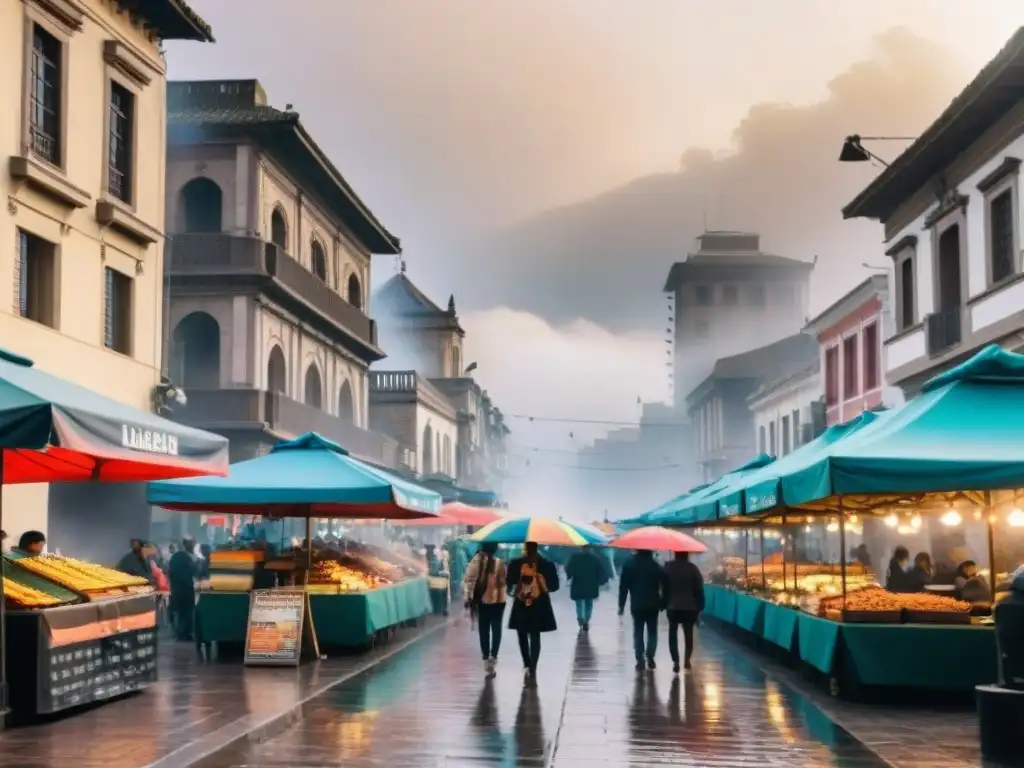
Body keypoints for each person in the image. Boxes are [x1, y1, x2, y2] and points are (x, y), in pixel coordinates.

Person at [507, 541, 559, 682]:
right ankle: (533, 667)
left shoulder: (515, 563)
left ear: (525, 547)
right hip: (540, 604)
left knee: (522, 634)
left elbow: (509, 582)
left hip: (521, 603)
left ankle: (527, 663)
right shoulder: (547, 564)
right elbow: (555, 586)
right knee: (535, 636)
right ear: (538, 548)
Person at [618, 549, 670, 671]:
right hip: (653, 604)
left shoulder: (629, 565)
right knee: (652, 631)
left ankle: (639, 659)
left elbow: (623, 587)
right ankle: (650, 656)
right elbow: (666, 584)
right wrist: (664, 602)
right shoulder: (656, 566)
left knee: (638, 631)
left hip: (637, 604)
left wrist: (621, 605)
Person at [463, 542, 507, 678]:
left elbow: (469, 580)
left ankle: (485, 658)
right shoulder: (499, 563)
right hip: (499, 601)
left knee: (484, 630)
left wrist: (468, 597)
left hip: (483, 601)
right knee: (496, 629)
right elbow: (504, 582)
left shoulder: (475, 561)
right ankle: (493, 657)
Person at [663, 551, 705, 673]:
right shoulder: (693, 569)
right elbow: (699, 589)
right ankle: (687, 660)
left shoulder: (668, 567)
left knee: (672, 634)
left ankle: (675, 661)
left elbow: (664, 586)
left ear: (675, 554)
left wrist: (664, 602)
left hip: (673, 607)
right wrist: (700, 606)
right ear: (687, 554)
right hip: (690, 607)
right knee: (688, 634)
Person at [565, 546, 607, 632]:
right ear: (591, 549)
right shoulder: (595, 559)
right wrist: (600, 582)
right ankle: (586, 620)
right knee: (589, 604)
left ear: (581, 549)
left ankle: (581, 617)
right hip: (591, 585)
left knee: (579, 603)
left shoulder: (575, 558)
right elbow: (602, 572)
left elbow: (568, 569)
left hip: (578, 584)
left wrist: (569, 575)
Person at [168, 537, 198, 641]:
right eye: (192, 544)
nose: (193, 546)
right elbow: (193, 572)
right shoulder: (187, 558)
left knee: (180, 612)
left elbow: (170, 573)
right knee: (186, 611)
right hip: (186, 589)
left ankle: (181, 633)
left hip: (176, 589)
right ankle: (184, 633)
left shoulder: (176, 557)